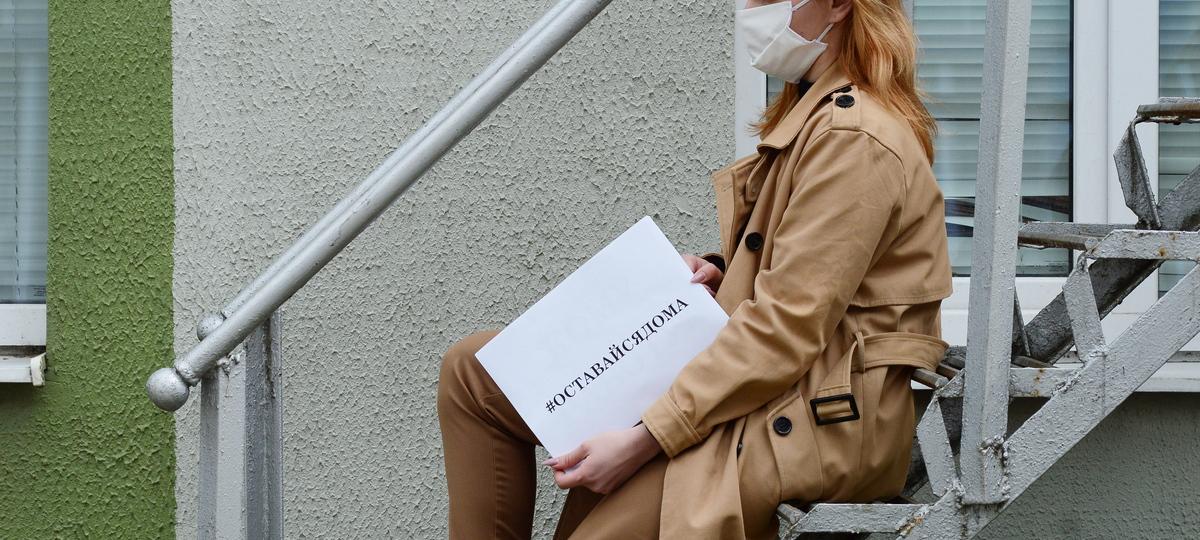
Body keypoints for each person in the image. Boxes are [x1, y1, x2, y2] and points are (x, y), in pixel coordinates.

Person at [436, 0, 953, 537]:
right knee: (475, 374)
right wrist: (724, 273)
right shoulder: (820, 114)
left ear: (840, 5)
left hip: (810, 416)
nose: (751, 9)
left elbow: (787, 325)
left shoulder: (854, 138)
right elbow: (813, 275)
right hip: (774, 381)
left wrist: (645, 437)